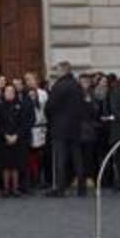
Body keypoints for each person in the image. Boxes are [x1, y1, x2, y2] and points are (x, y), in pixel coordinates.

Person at [45, 61, 87, 197]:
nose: (56, 72)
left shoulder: (58, 86)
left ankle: (60, 189)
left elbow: (50, 107)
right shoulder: (77, 85)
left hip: (60, 127)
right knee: (77, 158)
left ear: (63, 71)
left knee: (61, 159)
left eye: (57, 70)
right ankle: (82, 188)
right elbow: (82, 106)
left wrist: (51, 118)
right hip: (75, 127)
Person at [0, 83, 28, 197]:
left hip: (17, 139)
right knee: (5, 165)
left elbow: (24, 123)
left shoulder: (21, 105)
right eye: (7, 91)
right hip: (3, 139)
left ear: (15, 93)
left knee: (16, 164)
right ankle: (6, 189)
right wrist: (5, 135)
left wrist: (16, 135)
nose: (9, 93)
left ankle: (15, 188)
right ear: (4, 93)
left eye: (11, 92)